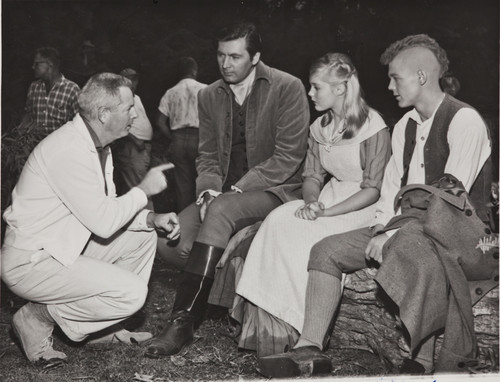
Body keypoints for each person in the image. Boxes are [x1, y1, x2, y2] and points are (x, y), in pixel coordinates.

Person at [256, 34, 493, 378]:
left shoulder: (464, 120)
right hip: (411, 225)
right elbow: (391, 192)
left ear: (422, 76)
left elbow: (449, 198)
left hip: (463, 233)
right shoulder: (406, 127)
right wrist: (382, 226)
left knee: (413, 250)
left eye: (396, 77)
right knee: (325, 249)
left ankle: (420, 362)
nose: (390, 85)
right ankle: (310, 350)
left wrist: (391, 233)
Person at [146, 22, 310, 358]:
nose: (226, 64)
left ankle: (183, 322)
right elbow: (207, 156)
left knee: (220, 212)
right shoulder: (208, 95)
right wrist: (206, 192)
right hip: (221, 194)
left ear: (256, 57)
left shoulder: (287, 87)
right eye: (221, 55)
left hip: (276, 190)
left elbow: (288, 157)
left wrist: (233, 191)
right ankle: (220, 291)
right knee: (169, 239)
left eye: (235, 56)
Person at [1, 73, 180, 369]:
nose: (135, 113)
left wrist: (151, 217)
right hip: (31, 263)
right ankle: (35, 317)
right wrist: (143, 190)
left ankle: (99, 329)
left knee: (144, 235)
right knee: (133, 294)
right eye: (128, 108)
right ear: (103, 114)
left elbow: (106, 207)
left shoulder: (98, 147)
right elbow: (104, 222)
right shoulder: (69, 150)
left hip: (63, 250)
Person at [225, 52, 391, 356]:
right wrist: (313, 202)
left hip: (360, 209)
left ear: (340, 88)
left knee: (306, 235)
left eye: (316, 87)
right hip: (327, 199)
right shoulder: (320, 127)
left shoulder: (373, 127)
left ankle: (300, 327)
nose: (310, 93)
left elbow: (373, 189)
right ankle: (268, 326)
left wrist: (326, 213)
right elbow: (312, 175)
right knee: (278, 218)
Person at [156, 57, 207, 211]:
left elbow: (159, 122)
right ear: (194, 71)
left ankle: (184, 224)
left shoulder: (170, 92)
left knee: (183, 185)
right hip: (200, 138)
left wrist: (173, 137)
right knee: (204, 180)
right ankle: (204, 219)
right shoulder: (205, 89)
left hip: (177, 139)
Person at [112, 68, 154, 208]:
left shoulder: (136, 98)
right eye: (130, 79)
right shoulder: (119, 99)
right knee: (140, 187)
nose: (134, 82)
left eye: (135, 79)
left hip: (142, 147)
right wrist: (135, 141)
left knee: (131, 186)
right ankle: (149, 220)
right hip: (133, 147)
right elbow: (117, 125)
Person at [22, 46, 80, 139]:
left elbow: (80, 124)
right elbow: (28, 115)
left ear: (50, 64)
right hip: (34, 146)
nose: (33, 67)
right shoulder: (34, 87)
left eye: (37, 64)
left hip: (60, 146)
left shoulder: (71, 89)